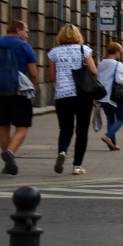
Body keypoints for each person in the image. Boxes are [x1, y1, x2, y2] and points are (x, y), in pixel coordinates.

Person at [47, 24, 99, 175]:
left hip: (63, 95)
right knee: (82, 130)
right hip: (82, 95)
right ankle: (77, 165)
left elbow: (52, 77)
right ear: (78, 36)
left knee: (65, 129)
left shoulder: (53, 53)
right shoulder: (84, 50)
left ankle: (62, 151)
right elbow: (94, 71)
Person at [0, 20, 39, 176]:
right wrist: (32, 87)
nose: (27, 34)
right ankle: (10, 153)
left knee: (3, 127)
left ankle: (8, 164)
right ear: (18, 30)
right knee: (22, 127)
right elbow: (33, 72)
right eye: (26, 31)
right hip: (19, 92)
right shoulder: (24, 46)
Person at [97, 42, 123, 151]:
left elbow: (98, 78)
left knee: (110, 119)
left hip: (103, 96)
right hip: (114, 96)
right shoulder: (117, 64)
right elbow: (118, 80)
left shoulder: (101, 63)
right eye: (120, 52)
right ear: (116, 52)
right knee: (121, 118)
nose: (120, 54)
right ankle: (108, 136)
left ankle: (113, 144)